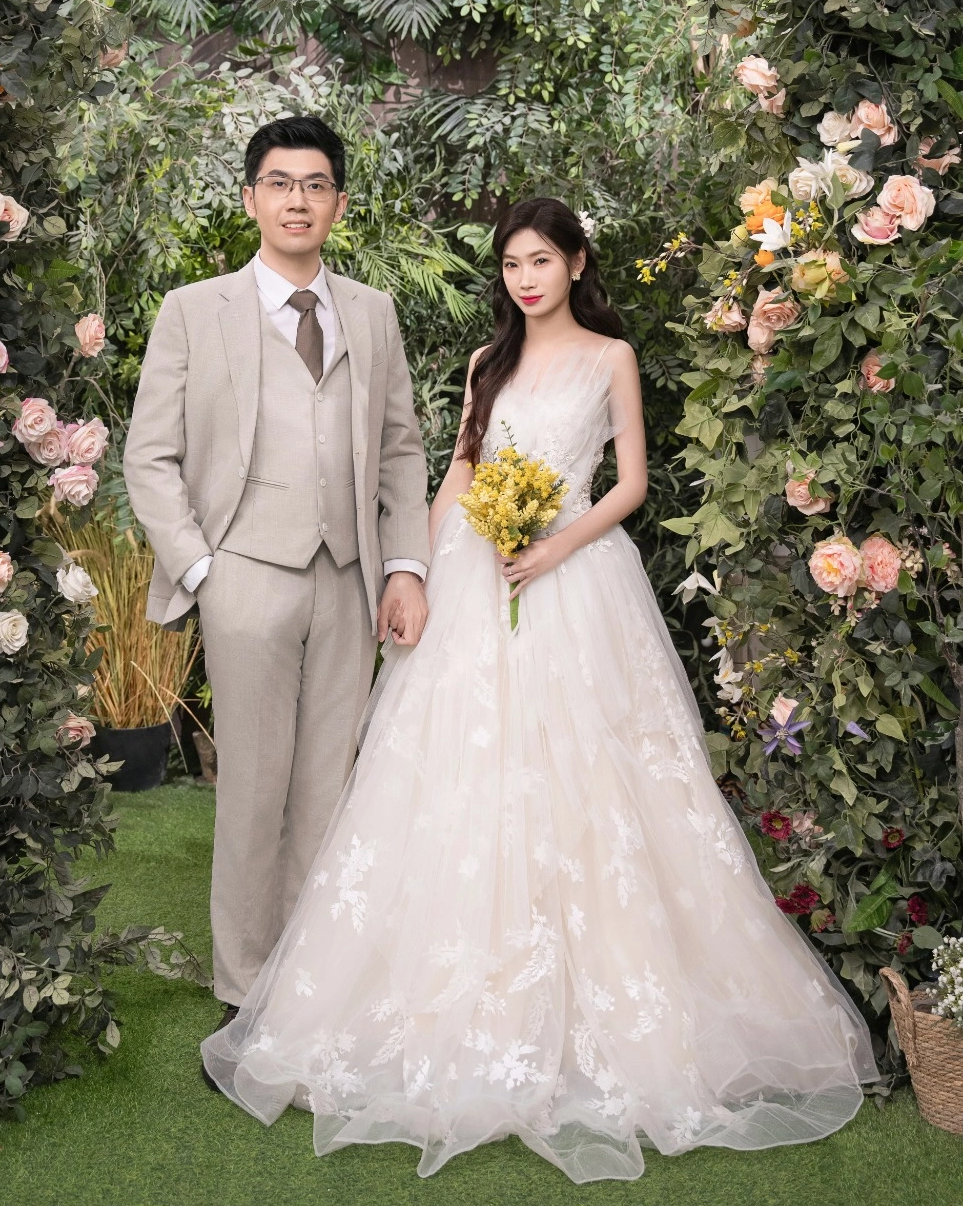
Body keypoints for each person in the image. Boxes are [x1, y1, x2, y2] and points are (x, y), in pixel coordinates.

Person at [201, 197, 876, 1182]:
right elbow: (456, 476)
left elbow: (631, 484)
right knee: (456, 779)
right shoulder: (488, 362)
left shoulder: (611, 358)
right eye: (513, 264)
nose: (525, 279)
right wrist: (415, 575)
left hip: (578, 581)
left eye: (542, 262)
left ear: (576, 263)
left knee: (593, 782)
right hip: (476, 584)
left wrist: (555, 545)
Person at [123, 115, 430, 1047]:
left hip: (351, 577)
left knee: (328, 788)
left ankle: (311, 976)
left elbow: (401, 450)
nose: (299, 200)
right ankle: (246, 983)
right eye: (281, 183)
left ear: (339, 202)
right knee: (254, 787)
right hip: (245, 573)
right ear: (252, 198)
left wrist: (406, 565)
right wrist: (203, 568)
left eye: (316, 184)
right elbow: (149, 457)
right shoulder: (194, 310)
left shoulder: (372, 311)